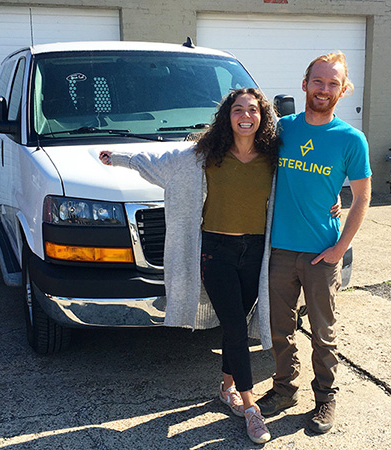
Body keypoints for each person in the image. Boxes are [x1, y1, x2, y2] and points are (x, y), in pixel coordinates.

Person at [100, 88, 278, 444]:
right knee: (236, 329)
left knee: (236, 326)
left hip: (256, 253)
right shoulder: (203, 156)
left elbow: (308, 183)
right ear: (227, 116)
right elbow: (157, 161)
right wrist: (117, 157)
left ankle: (227, 388)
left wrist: (333, 199)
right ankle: (250, 407)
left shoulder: (274, 159)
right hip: (216, 252)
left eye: (253, 110)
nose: (245, 115)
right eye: (237, 109)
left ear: (262, 117)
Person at [256, 51, 372, 434]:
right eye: (318, 82)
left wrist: (340, 249)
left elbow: (362, 197)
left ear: (343, 90)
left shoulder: (351, 140)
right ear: (305, 84)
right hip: (280, 250)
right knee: (279, 327)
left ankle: (325, 398)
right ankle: (284, 390)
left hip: (323, 252)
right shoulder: (282, 129)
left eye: (333, 83)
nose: (324, 90)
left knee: (324, 331)